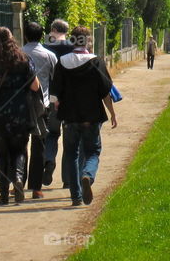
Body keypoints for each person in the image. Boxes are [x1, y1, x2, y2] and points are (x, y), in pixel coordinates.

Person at [49, 26, 116, 207]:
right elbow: (105, 92)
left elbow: (54, 93)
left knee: (71, 154)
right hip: (91, 116)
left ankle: (76, 196)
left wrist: (57, 104)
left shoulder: (62, 62)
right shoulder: (96, 62)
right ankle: (87, 175)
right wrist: (112, 113)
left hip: (70, 117)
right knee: (93, 152)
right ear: (88, 42)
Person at [0, 26, 40, 205]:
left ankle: (3, 194)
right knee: (19, 150)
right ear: (11, 39)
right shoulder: (23, 58)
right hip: (20, 112)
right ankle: (19, 179)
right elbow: (35, 86)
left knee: (0, 155)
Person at [22, 22, 56, 199]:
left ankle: (18, 182)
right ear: (42, 35)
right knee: (39, 143)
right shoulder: (49, 55)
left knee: (20, 144)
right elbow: (55, 80)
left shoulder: (18, 54)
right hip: (42, 105)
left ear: (25, 36)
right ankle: (36, 188)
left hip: (20, 105)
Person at [41, 19, 72, 187]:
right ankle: (67, 179)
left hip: (51, 97)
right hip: (69, 98)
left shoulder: (45, 47)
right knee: (69, 138)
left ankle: (48, 159)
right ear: (66, 31)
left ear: (52, 30)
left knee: (51, 134)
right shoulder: (72, 46)